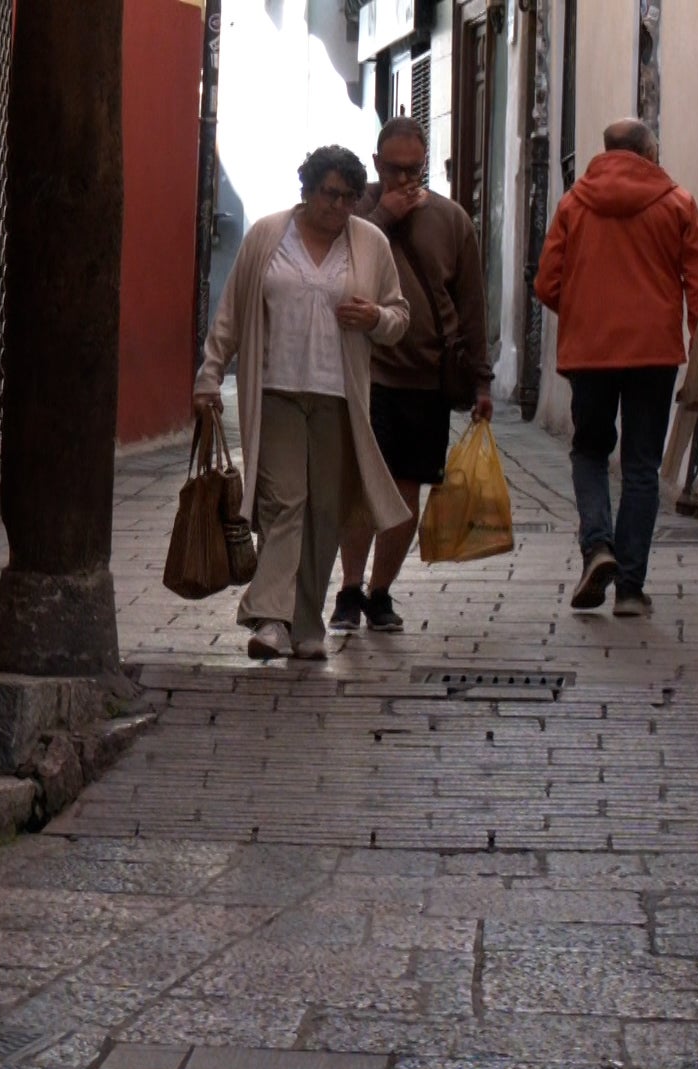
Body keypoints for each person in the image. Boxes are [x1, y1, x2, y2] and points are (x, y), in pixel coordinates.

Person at [193, 146, 413, 661]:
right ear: (308, 190)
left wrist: (375, 318)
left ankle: (308, 624)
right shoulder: (269, 237)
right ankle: (271, 618)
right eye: (330, 195)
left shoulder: (370, 243)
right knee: (284, 501)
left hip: (340, 397)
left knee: (324, 511)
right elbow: (233, 312)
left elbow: (400, 316)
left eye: (349, 198)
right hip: (276, 391)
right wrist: (209, 374)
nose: (338, 207)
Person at [535, 119, 698, 617]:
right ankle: (631, 591)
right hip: (654, 354)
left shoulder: (574, 204)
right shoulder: (678, 202)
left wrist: (585, 312)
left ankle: (598, 547)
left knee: (589, 451)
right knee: (641, 467)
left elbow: (547, 283)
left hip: (589, 353)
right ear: (648, 151)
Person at [331, 117, 490, 634]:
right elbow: (334, 262)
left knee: (403, 495)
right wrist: (381, 216)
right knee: (359, 489)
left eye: (413, 169)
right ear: (377, 162)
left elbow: (471, 306)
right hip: (365, 374)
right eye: (395, 168)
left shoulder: (451, 220)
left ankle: (380, 592)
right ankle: (349, 589)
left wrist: (482, 380)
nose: (404, 179)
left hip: (425, 380)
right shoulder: (353, 212)